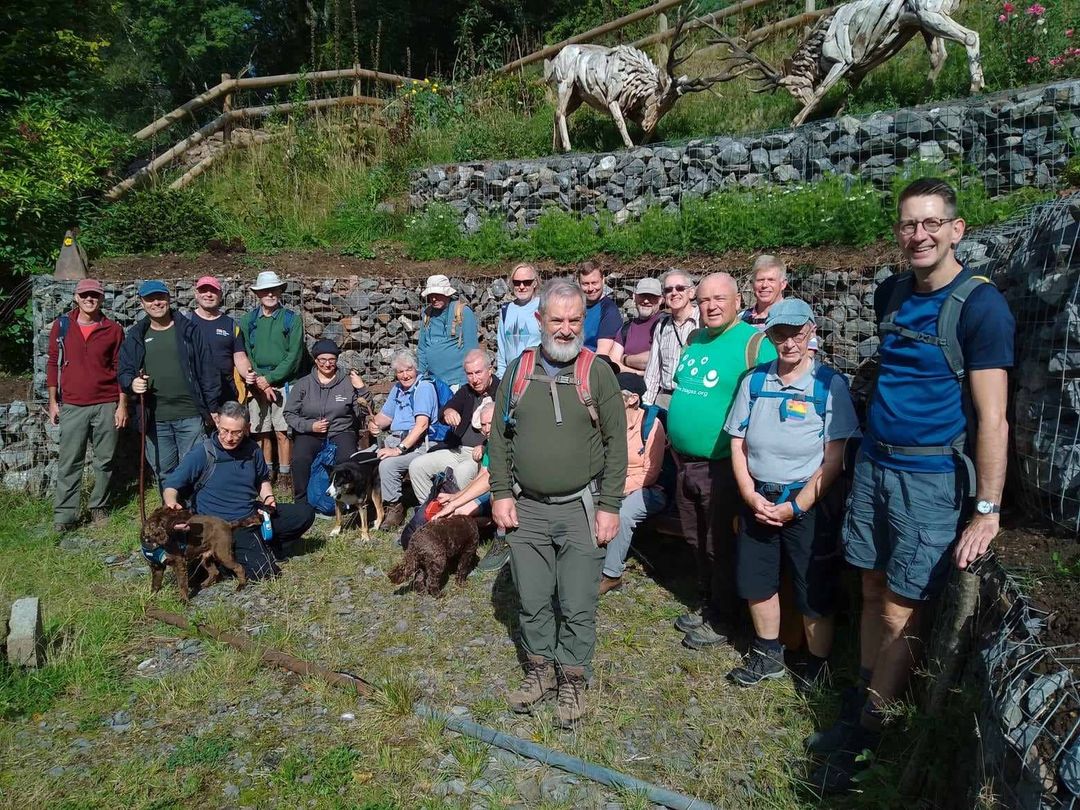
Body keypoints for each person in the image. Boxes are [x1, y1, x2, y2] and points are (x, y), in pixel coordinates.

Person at [809, 178, 1014, 793]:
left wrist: (987, 509)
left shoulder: (981, 308)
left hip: (929, 479)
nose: (918, 235)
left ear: (956, 230)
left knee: (904, 605)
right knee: (872, 586)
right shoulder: (891, 293)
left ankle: (870, 732)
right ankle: (862, 701)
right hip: (876, 464)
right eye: (908, 224)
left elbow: (994, 418)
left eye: (931, 223)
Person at [489, 278, 627, 728]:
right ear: (539, 320)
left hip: (581, 507)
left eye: (574, 320)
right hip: (526, 508)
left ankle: (572, 678)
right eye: (557, 320)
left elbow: (617, 445)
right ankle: (540, 670)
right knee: (531, 598)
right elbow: (499, 438)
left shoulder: (597, 373)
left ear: (583, 321)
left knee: (577, 601)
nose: (566, 329)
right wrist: (501, 493)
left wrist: (610, 505)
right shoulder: (517, 372)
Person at [723, 299, 860, 688]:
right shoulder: (753, 382)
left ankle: (817, 666)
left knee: (813, 585)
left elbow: (834, 458)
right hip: (759, 499)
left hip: (807, 503)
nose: (789, 344)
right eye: (780, 335)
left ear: (811, 332)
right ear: (769, 337)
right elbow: (737, 442)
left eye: (797, 334)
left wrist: (796, 507)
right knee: (757, 581)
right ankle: (768, 655)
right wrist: (749, 495)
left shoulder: (829, 386)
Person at [666, 272, 777, 651]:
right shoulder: (696, 339)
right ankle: (709, 602)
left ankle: (726, 617)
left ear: (738, 301)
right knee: (695, 537)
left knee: (719, 543)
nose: (710, 306)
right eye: (704, 300)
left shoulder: (754, 344)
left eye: (719, 299)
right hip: (685, 462)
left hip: (722, 466)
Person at [163, 401, 315, 580]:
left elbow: (262, 480)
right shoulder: (203, 453)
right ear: (217, 423)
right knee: (265, 572)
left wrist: (268, 498)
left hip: (252, 515)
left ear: (247, 428)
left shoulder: (252, 450)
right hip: (221, 527)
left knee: (305, 513)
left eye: (236, 432)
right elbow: (171, 485)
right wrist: (171, 504)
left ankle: (269, 547)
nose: (229, 438)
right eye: (225, 430)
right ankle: (223, 561)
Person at [119, 280, 220, 490]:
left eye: (160, 297)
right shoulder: (137, 335)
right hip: (155, 418)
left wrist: (213, 407)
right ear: (142, 303)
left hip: (191, 414)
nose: (156, 303)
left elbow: (208, 370)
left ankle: (194, 508)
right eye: (150, 299)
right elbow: (124, 370)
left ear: (169, 298)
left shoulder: (189, 330)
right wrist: (132, 383)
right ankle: (170, 508)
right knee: (164, 470)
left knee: (194, 468)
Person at [47, 278, 128, 532]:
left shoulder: (113, 329)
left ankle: (98, 506)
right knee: (69, 461)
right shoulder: (62, 326)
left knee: (105, 460)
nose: (89, 299)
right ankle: (64, 515)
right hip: (73, 404)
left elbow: (121, 369)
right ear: (76, 297)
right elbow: (53, 363)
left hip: (106, 403)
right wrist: (53, 401)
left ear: (102, 298)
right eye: (84, 295)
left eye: (94, 295)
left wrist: (122, 405)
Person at [599, 372, 668, 595]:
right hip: (611, 483)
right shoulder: (607, 422)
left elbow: (651, 473)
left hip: (647, 488)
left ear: (632, 399)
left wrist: (616, 488)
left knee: (622, 513)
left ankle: (612, 575)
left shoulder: (651, 426)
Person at [283, 339, 373, 504]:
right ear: (315, 360)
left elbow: (366, 410)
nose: (327, 364)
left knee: (347, 460)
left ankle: (345, 501)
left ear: (337, 360)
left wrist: (361, 389)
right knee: (300, 459)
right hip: (310, 432)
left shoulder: (347, 383)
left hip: (341, 430)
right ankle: (301, 501)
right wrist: (310, 426)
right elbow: (289, 413)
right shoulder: (303, 384)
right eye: (322, 360)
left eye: (331, 359)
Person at [239, 271, 305, 491]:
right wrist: (259, 381)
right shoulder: (248, 321)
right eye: (265, 291)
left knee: (283, 431)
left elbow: (294, 356)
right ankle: (266, 472)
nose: (270, 294)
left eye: (274, 290)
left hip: (284, 383)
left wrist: (269, 379)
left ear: (280, 291)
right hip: (256, 384)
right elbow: (245, 353)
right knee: (261, 431)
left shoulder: (291, 320)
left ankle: (285, 474)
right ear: (258, 294)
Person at [408, 348, 499, 503]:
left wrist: (486, 446)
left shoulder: (502, 392)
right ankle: (431, 509)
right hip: (457, 449)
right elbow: (446, 409)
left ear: (490, 370)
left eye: (478, 373)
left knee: (463, 472)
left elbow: (507, 430)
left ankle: (464, 512)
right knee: (417, 466)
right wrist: (448, 412)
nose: (474, 379)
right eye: (470, 374)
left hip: (481, 455)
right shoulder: (466, 391)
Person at [367, 349, 439, 530]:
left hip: (419, 445)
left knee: (388, 465)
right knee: (359, 458)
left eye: (409, 370)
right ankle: (365, 504)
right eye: (400, 371)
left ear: (416, 368)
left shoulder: (424, 388)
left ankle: (394, 507)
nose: (405, 375)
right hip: (396, 440)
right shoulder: (398, 389)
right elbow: (386, 416)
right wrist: (374, 423)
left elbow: (421, 426)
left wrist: (398, 450)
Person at [189, 275, 256, 402]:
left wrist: (248, 374)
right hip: (194, 392)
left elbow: (240, 357)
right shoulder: (186, 322)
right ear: (196, 294)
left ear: (220, 295)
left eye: (213, 291)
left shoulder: (231, 325)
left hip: (226, 392)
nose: (208, 294)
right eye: (204, 290)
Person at [643, 270, 699, 409]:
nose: (674, 293)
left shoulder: (702, 321)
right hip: (665, 399)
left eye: (680, 288)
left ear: (691, 292)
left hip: (693, 397)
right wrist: (647, 405)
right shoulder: (662, 326)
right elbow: (653, 371)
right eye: (668, 290)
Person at [416, 274, 478, 388]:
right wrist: (420, 378)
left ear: (447, 293)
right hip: (432, 382)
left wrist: (465, 383)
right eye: (431, 295)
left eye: (437, 294)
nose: (434, 299)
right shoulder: (427, 315)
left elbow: (472, 350)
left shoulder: (463, 312)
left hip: (456, 382)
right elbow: (422, 349)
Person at [610, 278, 663, 376]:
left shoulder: (665, 324)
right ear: (634, 297)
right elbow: (613, 362)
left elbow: (658, 358)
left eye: (652, 296)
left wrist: (625, 359)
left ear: (660, 300)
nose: (646, 301)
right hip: (626, 381)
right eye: (642, 296)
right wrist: (638, 373)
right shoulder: (626, 328)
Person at [495, 263, 542, 377]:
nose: (521, 286)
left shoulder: (543, 307)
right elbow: (502, 349)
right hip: (511, 376)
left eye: (527, 282)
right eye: (517, 282)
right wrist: (501, 377)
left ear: (535, 283)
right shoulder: (506, 310)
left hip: (536, 376)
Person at [577, 262, 622, 358]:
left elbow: (602, 354)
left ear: (603, 280)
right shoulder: (574, 305)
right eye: (585, 284)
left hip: (590, 361)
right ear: (578, 283)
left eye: (594, 283)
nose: (590, 288)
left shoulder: (609, 311)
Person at [739, 255, 788, 330]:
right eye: (760, 280)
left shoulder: (796, 318)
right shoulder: (741, 320)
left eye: (771, 280)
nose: (764, 285)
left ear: (783, 284)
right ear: (753, 284)